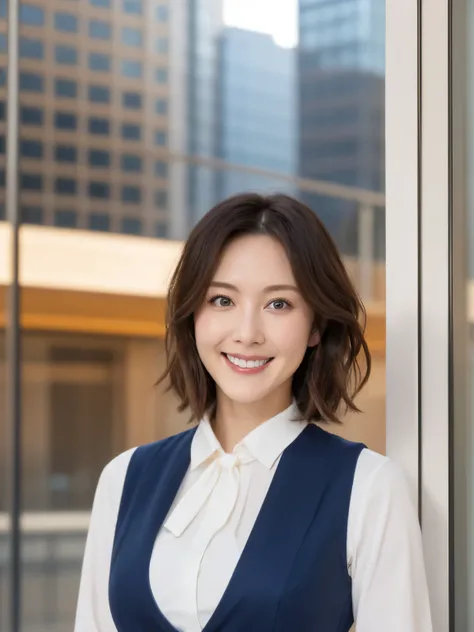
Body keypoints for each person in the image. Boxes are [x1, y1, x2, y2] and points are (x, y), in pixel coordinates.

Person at [74, 193, 433, 632]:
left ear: (316, 325)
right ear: (193, 316)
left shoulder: (370, 488)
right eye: (222, 300)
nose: (247, 334)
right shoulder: (124, 479)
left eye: (278, 304)